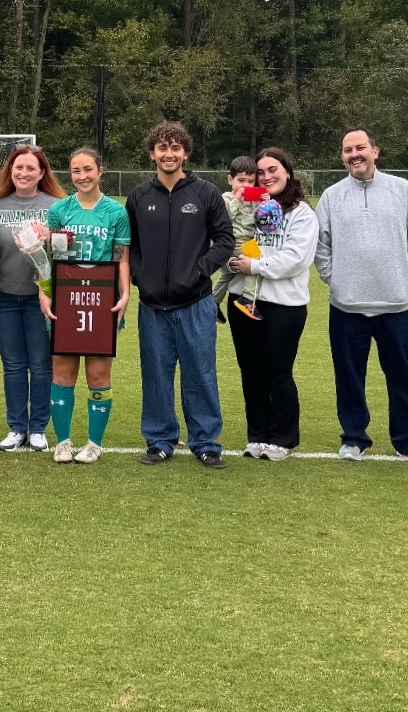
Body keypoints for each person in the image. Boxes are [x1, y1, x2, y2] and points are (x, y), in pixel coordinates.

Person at [315, 127, 408, 463]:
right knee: (350, 376)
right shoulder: (332, 196)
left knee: (401, 376)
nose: (354, 155)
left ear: (375, 151)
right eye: (347, 150)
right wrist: (333, 278)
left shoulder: (401, 190)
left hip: (396, 304)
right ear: (342, 156)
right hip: (347, 305)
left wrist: (406, 278)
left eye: (360, 148)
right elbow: (321, 245)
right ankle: (353, 437)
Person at [126, 121, 233, 469]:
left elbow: (225, 241)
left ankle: (205, 442)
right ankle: (159, 440)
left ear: (185, 153)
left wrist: (200, 270)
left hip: (196, 302)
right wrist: (142, 277)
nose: (168, 154)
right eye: (162, 148)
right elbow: (133, 247)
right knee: (156, 373)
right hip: (153, 305)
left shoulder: (205, 193)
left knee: (200, 372)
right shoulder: (139, 196)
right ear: (152, 153)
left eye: (175, 148)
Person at [224, 148, 319, 462]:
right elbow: (230, 234)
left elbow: (295, 259)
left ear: (287, 171)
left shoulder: (301, 213)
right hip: (243, 300)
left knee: (278, 372)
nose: (266, 177)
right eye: (260, 172)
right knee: (251, 372)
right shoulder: (249, 204)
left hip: (284, 305)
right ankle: (257, 435)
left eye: (272, 169)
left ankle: (282, 437)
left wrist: (254, 266)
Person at [40, 148, 130, 464]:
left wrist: (124, 294)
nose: (82, 176)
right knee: (62, 373)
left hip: (101, 302)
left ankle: (94, 443)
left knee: (98, 375)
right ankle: (63, 442)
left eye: (88, 169)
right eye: (76, 170)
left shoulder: (115, 212)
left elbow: (120, 258)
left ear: (100, 170)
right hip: (66, 301)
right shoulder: (60, 210)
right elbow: (48, 259)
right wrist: (44, 292)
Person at [0, 144, 65, 452]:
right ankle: (17, 427)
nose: (24, 173)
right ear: (10, 171)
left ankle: (38, 428)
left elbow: (65, 251)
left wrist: (51, 239)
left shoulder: (57, 205)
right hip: (3, 298)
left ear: (42, 173)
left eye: (31, 168)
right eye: (18, 167)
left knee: (41, 364)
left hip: (41, 299)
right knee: (13, 365)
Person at [211, 155, 264, 321]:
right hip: (234, 241)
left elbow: (259, 218)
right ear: (230, 180)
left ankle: (212, 302)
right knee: (257, 262)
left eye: (250, 181)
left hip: (248, 240)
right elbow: (222, 218)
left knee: (228, 275)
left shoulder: (252, 200)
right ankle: (247, 299)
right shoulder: (226, 198)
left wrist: (264, 203)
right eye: (241, 180)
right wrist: (236, 199)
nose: (246, 186)